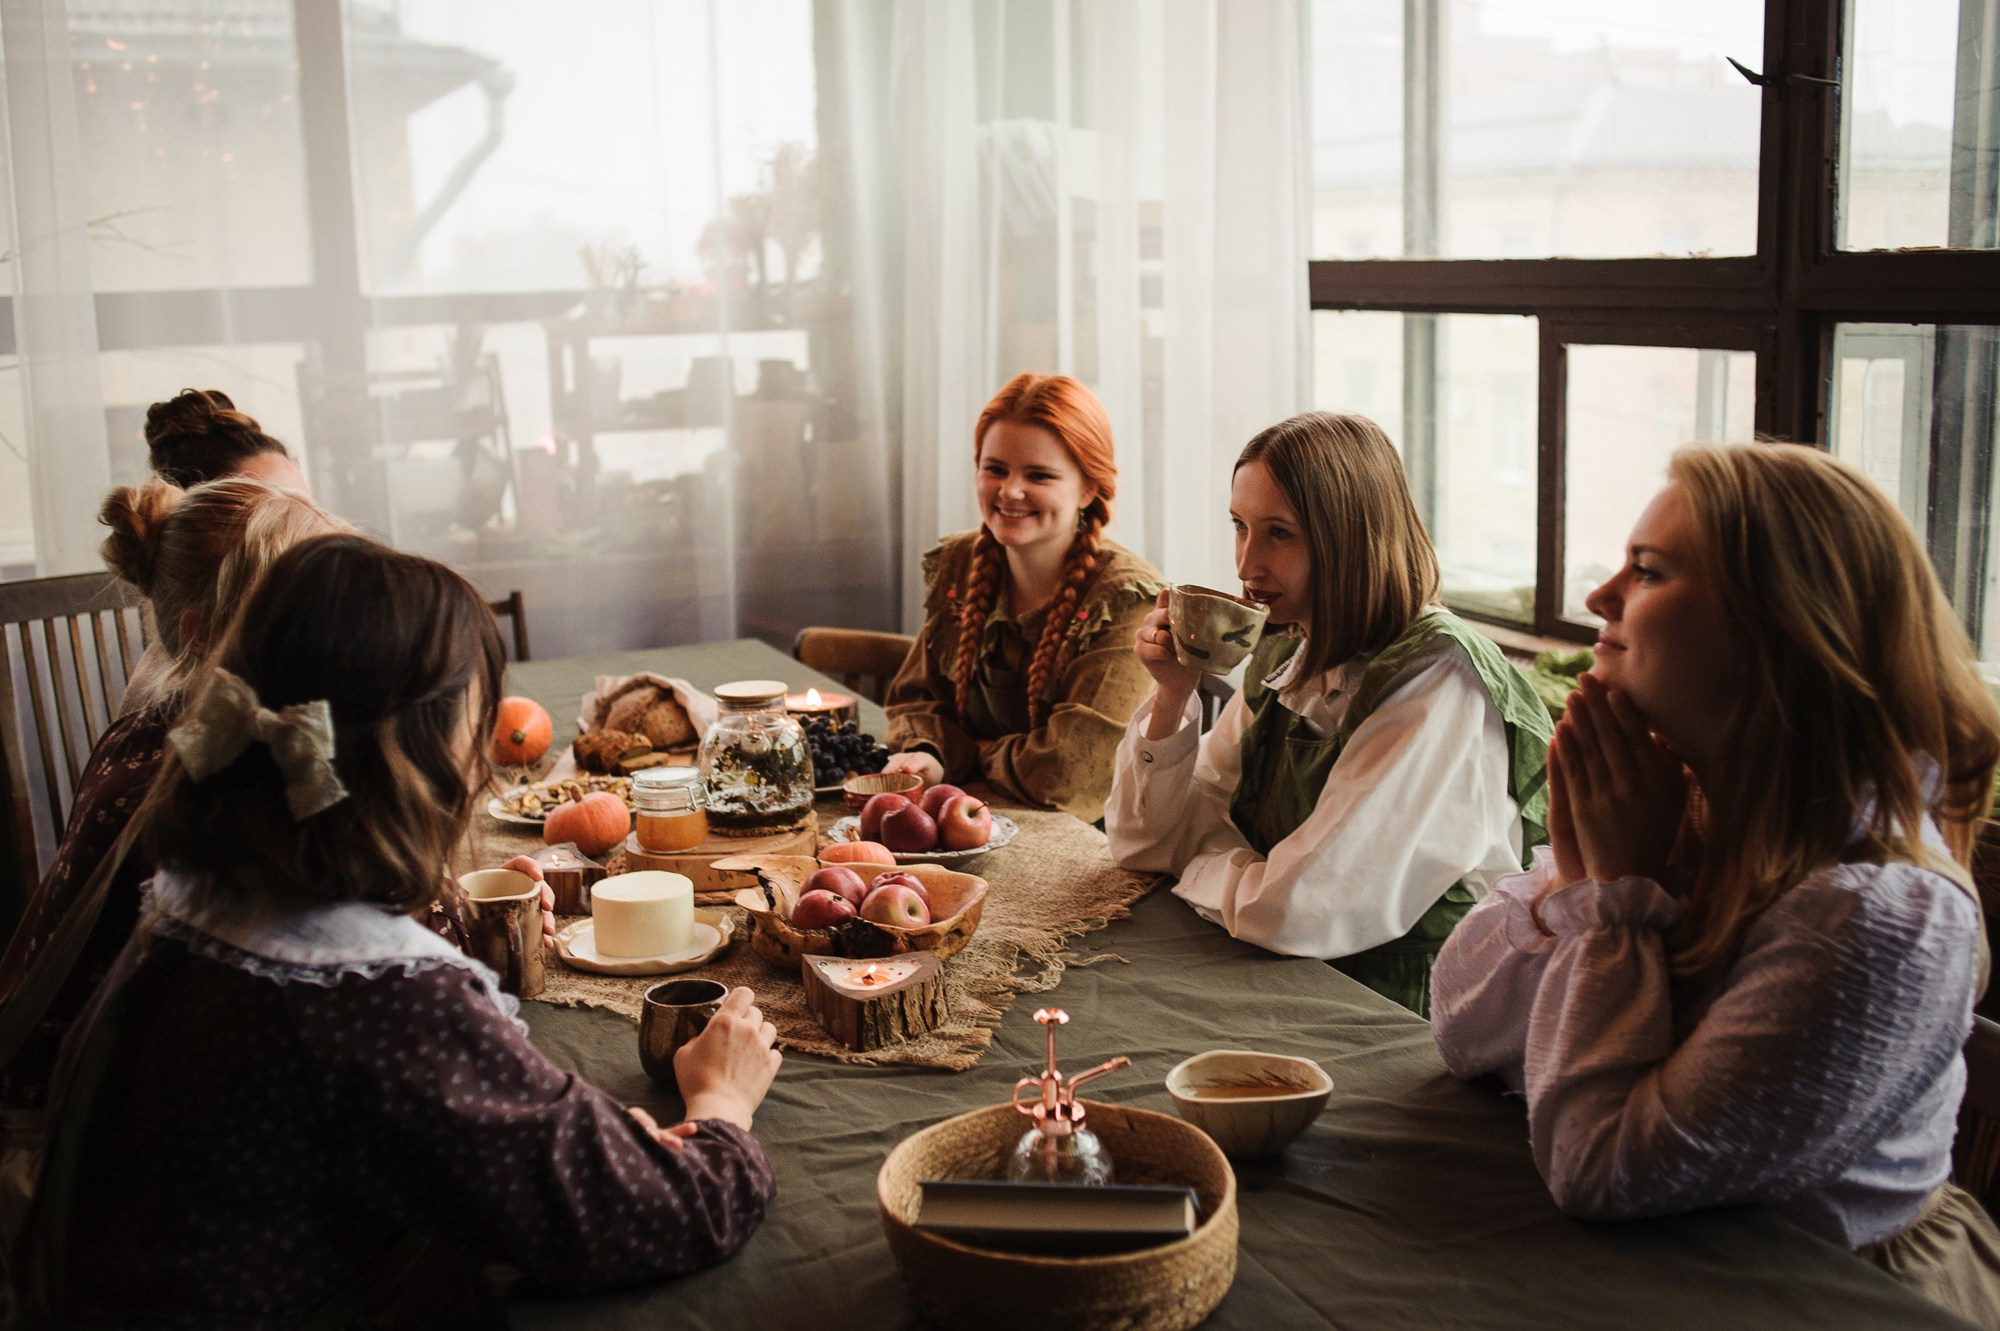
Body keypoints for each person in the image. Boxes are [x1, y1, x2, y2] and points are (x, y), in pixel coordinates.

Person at [17, 536, 782, 1325]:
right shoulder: (366, 1002)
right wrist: (721, 1099)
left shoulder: (198, 912)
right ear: (417, 753)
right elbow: (663, 1210)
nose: (484, 756)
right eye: (472, 718)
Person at [1429, 443, 2000, 1326]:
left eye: (1647, 571)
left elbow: (1603, 1167)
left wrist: (1613, 900)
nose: (1597, 598)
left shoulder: (1885, 915)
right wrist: (1580, 883)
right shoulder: (1678, 797)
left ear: (1778, 631)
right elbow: (1462, 1029)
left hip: (1833, 1291)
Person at [1105, 412, 1553, 1016]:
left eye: (1279, 534)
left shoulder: (1438, 677)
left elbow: (1297, 910)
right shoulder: (1290, 644)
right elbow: (1144, 840)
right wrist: (1173, 693)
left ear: (1350, 538)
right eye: (1239, 526)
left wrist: (1204, 862)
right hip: (1284, 976)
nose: (1246, 565)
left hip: (1406, 1013)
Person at [0, 479, 346, 1114]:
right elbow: (354, 964)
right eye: (306, 608)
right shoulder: (219, 788)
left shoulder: (157, 730)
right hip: (132, 1136)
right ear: (201, 634)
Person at [882, 373, 1164, 823]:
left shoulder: (1127, 599)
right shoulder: (960, 561)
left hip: (1090, 842)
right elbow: (915, 698)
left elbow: (1071, 774)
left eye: (1039, 475)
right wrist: (927, 751)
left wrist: (974, 754)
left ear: (1089, 488)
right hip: (970, 815)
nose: (1009, 491)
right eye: (995, 468)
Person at [120, 389, 308, 713]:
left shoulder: (290, 630)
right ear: (195, 533)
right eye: (271, 513)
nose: (306, 528)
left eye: (305, 506)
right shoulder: (181, 698)